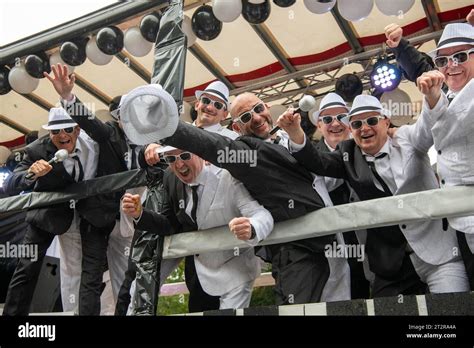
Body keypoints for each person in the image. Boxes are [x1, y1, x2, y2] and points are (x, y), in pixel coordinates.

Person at [121, 85, 338, 305]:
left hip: (337, 242)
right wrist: (164, 127)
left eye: (258, 109)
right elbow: (214, 145)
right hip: (298, 251)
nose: (255, 117)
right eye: (245, 116)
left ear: (268, 107)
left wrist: (297, 135)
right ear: (236, 127)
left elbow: (328, 167)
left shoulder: (292, 137)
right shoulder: (248, 154)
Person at [278, 94, 470, 297]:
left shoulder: (406, 139)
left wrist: (432, 96)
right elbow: (317, 161)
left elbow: (426, 127)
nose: (365, 128)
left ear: (386, 121)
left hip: (439, 255)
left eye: (371, 120)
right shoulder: (348, 155)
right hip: (392, 266)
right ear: (351, 129)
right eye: (357, 123)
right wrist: (294, 132)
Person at [44, 63, 143, 314]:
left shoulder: (151, 140)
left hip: (128, 220)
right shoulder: (108, 133)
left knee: (128, 277)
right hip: (98, 216)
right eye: (126, 114)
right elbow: (88, 122)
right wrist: (67, 96)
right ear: (119, 117)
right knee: (90, 276)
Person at [122, 146, 273, 310]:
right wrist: (140, 214)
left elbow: (261, 215)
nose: (179, 165)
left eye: (185, 155)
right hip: (200, 270)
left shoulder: (228, 177)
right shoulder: (170, 179)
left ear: (202, 154)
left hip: (235, 270)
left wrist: (251, 227)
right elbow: (169, 224)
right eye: (171, 159)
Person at [2, 108, 116, 315]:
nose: (62, 135)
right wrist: (31, 173)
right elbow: (10, 185)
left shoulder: (95, 144)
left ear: (78, 129)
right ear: (49, 134)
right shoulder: (36, 150)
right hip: (49, 215)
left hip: (91, 216)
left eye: (67, 129)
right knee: (26, 267)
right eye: (55, 131)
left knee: (91, 274)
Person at [414, 21, 474, 288]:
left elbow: (453, 129)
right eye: (442, 60)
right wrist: (433, 99)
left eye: (460, 56)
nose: (451, 65)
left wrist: (434, 100)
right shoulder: (446, 96)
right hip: (461, 221)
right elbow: (420, 140)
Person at [311, 93, 372, 299]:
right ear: (319, 126)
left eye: (342, 117)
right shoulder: (309, 158)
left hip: (378, 245)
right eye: (327, 119)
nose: (335, 123)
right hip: (338, 250)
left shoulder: (368, 145)